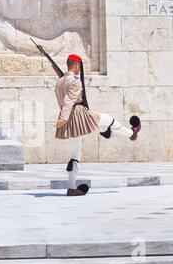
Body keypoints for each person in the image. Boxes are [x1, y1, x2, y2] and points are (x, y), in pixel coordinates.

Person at [55, 54, 142, 197]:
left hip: (67, 118)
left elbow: (63, 100)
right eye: (79, 66)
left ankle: (71, 188)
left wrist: (63, 118)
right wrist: (64, 118)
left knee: (74, 154)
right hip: (77, 115)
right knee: (107, 118)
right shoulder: (75, 81)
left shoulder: (59, 82)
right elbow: (70, 100)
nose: (79, 69)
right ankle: (131, 134)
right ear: (76, 65)